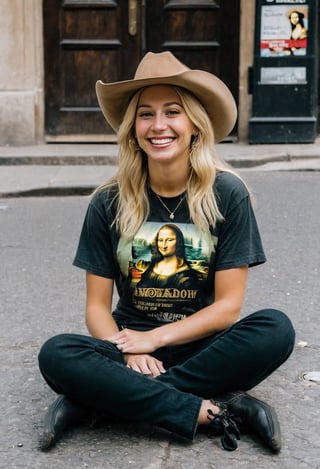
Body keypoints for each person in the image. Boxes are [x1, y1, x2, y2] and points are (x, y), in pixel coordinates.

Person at [38, 51, 295, 453]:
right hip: (125, 344)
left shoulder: (227, 194)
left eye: (172, 112)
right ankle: (216, 410)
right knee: (55, 354)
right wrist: (127, 352)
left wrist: (154, 340)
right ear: (132, 129)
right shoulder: (108, 201)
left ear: (194, 124)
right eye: (145, 114)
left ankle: (100, 402)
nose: (158, 125)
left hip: (201, 343)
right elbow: (96, 308)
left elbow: (228, 308)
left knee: (276, 329)